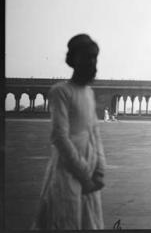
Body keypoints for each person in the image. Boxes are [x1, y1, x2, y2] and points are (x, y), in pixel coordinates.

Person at [32, 34, 106, 229]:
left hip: (88, 172)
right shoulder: (61, 91)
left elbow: (94, 133)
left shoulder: (89, 93)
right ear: (73, 60)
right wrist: (84, 174)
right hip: (67, 170)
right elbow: (60, 137)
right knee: (66, 220)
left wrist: (99, 170)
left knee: (87, 221)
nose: (91, 62)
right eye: (86, 57)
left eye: (94, 58)